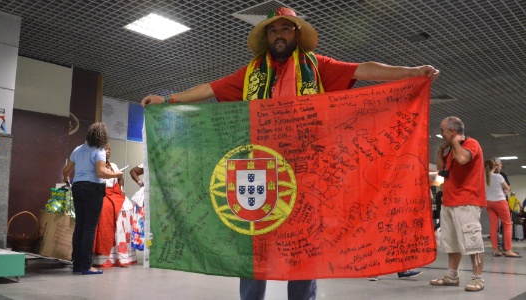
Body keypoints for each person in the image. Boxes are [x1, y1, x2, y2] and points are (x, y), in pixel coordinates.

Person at [142, 7, 439, 300]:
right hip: (260, 171)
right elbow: (209, 88)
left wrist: (412, 72)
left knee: (303, 248)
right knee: (254, 246)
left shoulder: (318, 66)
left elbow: (363, 68)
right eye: (273, 30)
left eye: (285, 29)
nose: (279, 35)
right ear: (267, 36)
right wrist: (168, 98)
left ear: (296, 34)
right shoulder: (251, 74)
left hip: (307, 174)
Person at [431, 116, 486, 292]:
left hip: (467, 202)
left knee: (472, 241)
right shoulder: (449, 151)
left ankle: (478, 278)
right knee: (452, 242)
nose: (442, 134)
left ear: (452, 131)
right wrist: (441, 149)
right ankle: (452, 276)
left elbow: (463, 159)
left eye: (443, 131)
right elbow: (441, 169)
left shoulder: (471, 144)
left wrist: (455, 143)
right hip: (449, 202)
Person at [62, 122, 123, 275]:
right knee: (89, 228)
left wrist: (66, 179)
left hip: (77, 187)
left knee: (80, 227)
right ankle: (86, 266)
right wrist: (118, 174)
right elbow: (101, 173)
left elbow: (66, 170)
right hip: (93, 189)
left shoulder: (77, 149)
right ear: (102, 136)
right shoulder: (99, 151)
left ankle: (77, 265)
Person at [92, 145, 137, 268]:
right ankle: (105, 255)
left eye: (109, 149)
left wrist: (122, 188)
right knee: (105, 210)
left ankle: (122, 254)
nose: (108, 151)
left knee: (127, 206)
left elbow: (120, 178)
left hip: (115, 192)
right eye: (104, 149)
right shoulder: (95, 166)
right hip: (102, 193)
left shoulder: (114, 166)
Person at [484, 160, 520, 258]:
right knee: (507, 225)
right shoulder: (498, 176)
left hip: (489, 203)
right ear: (495, 167)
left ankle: (496, 250)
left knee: (493, 227)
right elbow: (507, 188)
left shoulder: (484, 177)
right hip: (500, 202)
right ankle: (508, 250)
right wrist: (505, 189)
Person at [129, 164, 146, 251]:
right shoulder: (148, 162)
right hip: (145, 197)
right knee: (144, 224)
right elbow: (133, 171)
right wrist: (140, 183)